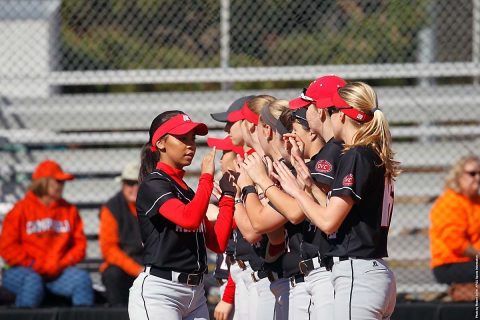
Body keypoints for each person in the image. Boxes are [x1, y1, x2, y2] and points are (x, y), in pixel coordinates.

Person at [274, 82, 400, 319]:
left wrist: (297, 192)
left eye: (331, 112)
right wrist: (309, 186)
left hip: (358, 273)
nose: (327, 119)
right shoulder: (369, 151)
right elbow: (340, 213)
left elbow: (329, 222)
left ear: (342, 115)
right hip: (372, 271)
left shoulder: (356, 153)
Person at [128, 111, 235, 320]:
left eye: (192, 139)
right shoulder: (154, 184)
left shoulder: (186, 191)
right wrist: (206, 176)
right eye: (182, 138)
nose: (191, 145)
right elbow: (190, 219)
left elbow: (218, 242)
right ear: (160, 143)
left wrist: (229, 196)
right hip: (161, 292)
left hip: (196, 294)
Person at [0, 160, 93, 308]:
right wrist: (33, 263)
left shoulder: (69, 210)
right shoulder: (20, 210)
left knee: (81, 280)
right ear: (43, 182)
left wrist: (60, 263)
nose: (62, 186)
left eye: (63, 182)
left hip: (58, 271)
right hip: (23, 271)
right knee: (32, 282)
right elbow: (7, 247)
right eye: (58, 181)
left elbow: (79, 245)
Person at [429, 155, 480, 300]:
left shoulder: (477, 201)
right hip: (449, 264)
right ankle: (460, 293)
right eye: (472, 173)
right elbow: (455, 242)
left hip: (472, 261)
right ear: (458, 176)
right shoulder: (449, 202)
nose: (477, 177)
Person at [99, 161, 143, 306]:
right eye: (130, 183)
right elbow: (109, 250)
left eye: (139, 183)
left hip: (149, 263)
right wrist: (137, 270)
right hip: (125, 265)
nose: (135, 188)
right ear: (123, 184)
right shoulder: (111, 208)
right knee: (113, 274)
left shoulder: (154, 204)